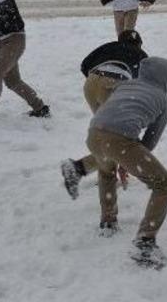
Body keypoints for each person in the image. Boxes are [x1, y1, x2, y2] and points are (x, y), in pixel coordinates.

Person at [84, 57, 167, 269]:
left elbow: (110, 112)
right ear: (166, 78)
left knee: (107, 172)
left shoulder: (125, 85)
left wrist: (125, 159)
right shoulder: (162, 99)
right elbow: (150, 141)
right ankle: (145, 243)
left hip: (94, 133)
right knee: (164, 185)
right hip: (119, 139)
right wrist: (130, 160)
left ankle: (108, 222)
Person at [61, 29, 148, 199]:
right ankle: (80, 169)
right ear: (138, 44)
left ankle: (94, 170)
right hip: (113, 84)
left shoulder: (109, 46)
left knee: (108, 135)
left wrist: (97, 78)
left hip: (91, 84)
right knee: (117, 138)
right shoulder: (141, 55)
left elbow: (84, 64)